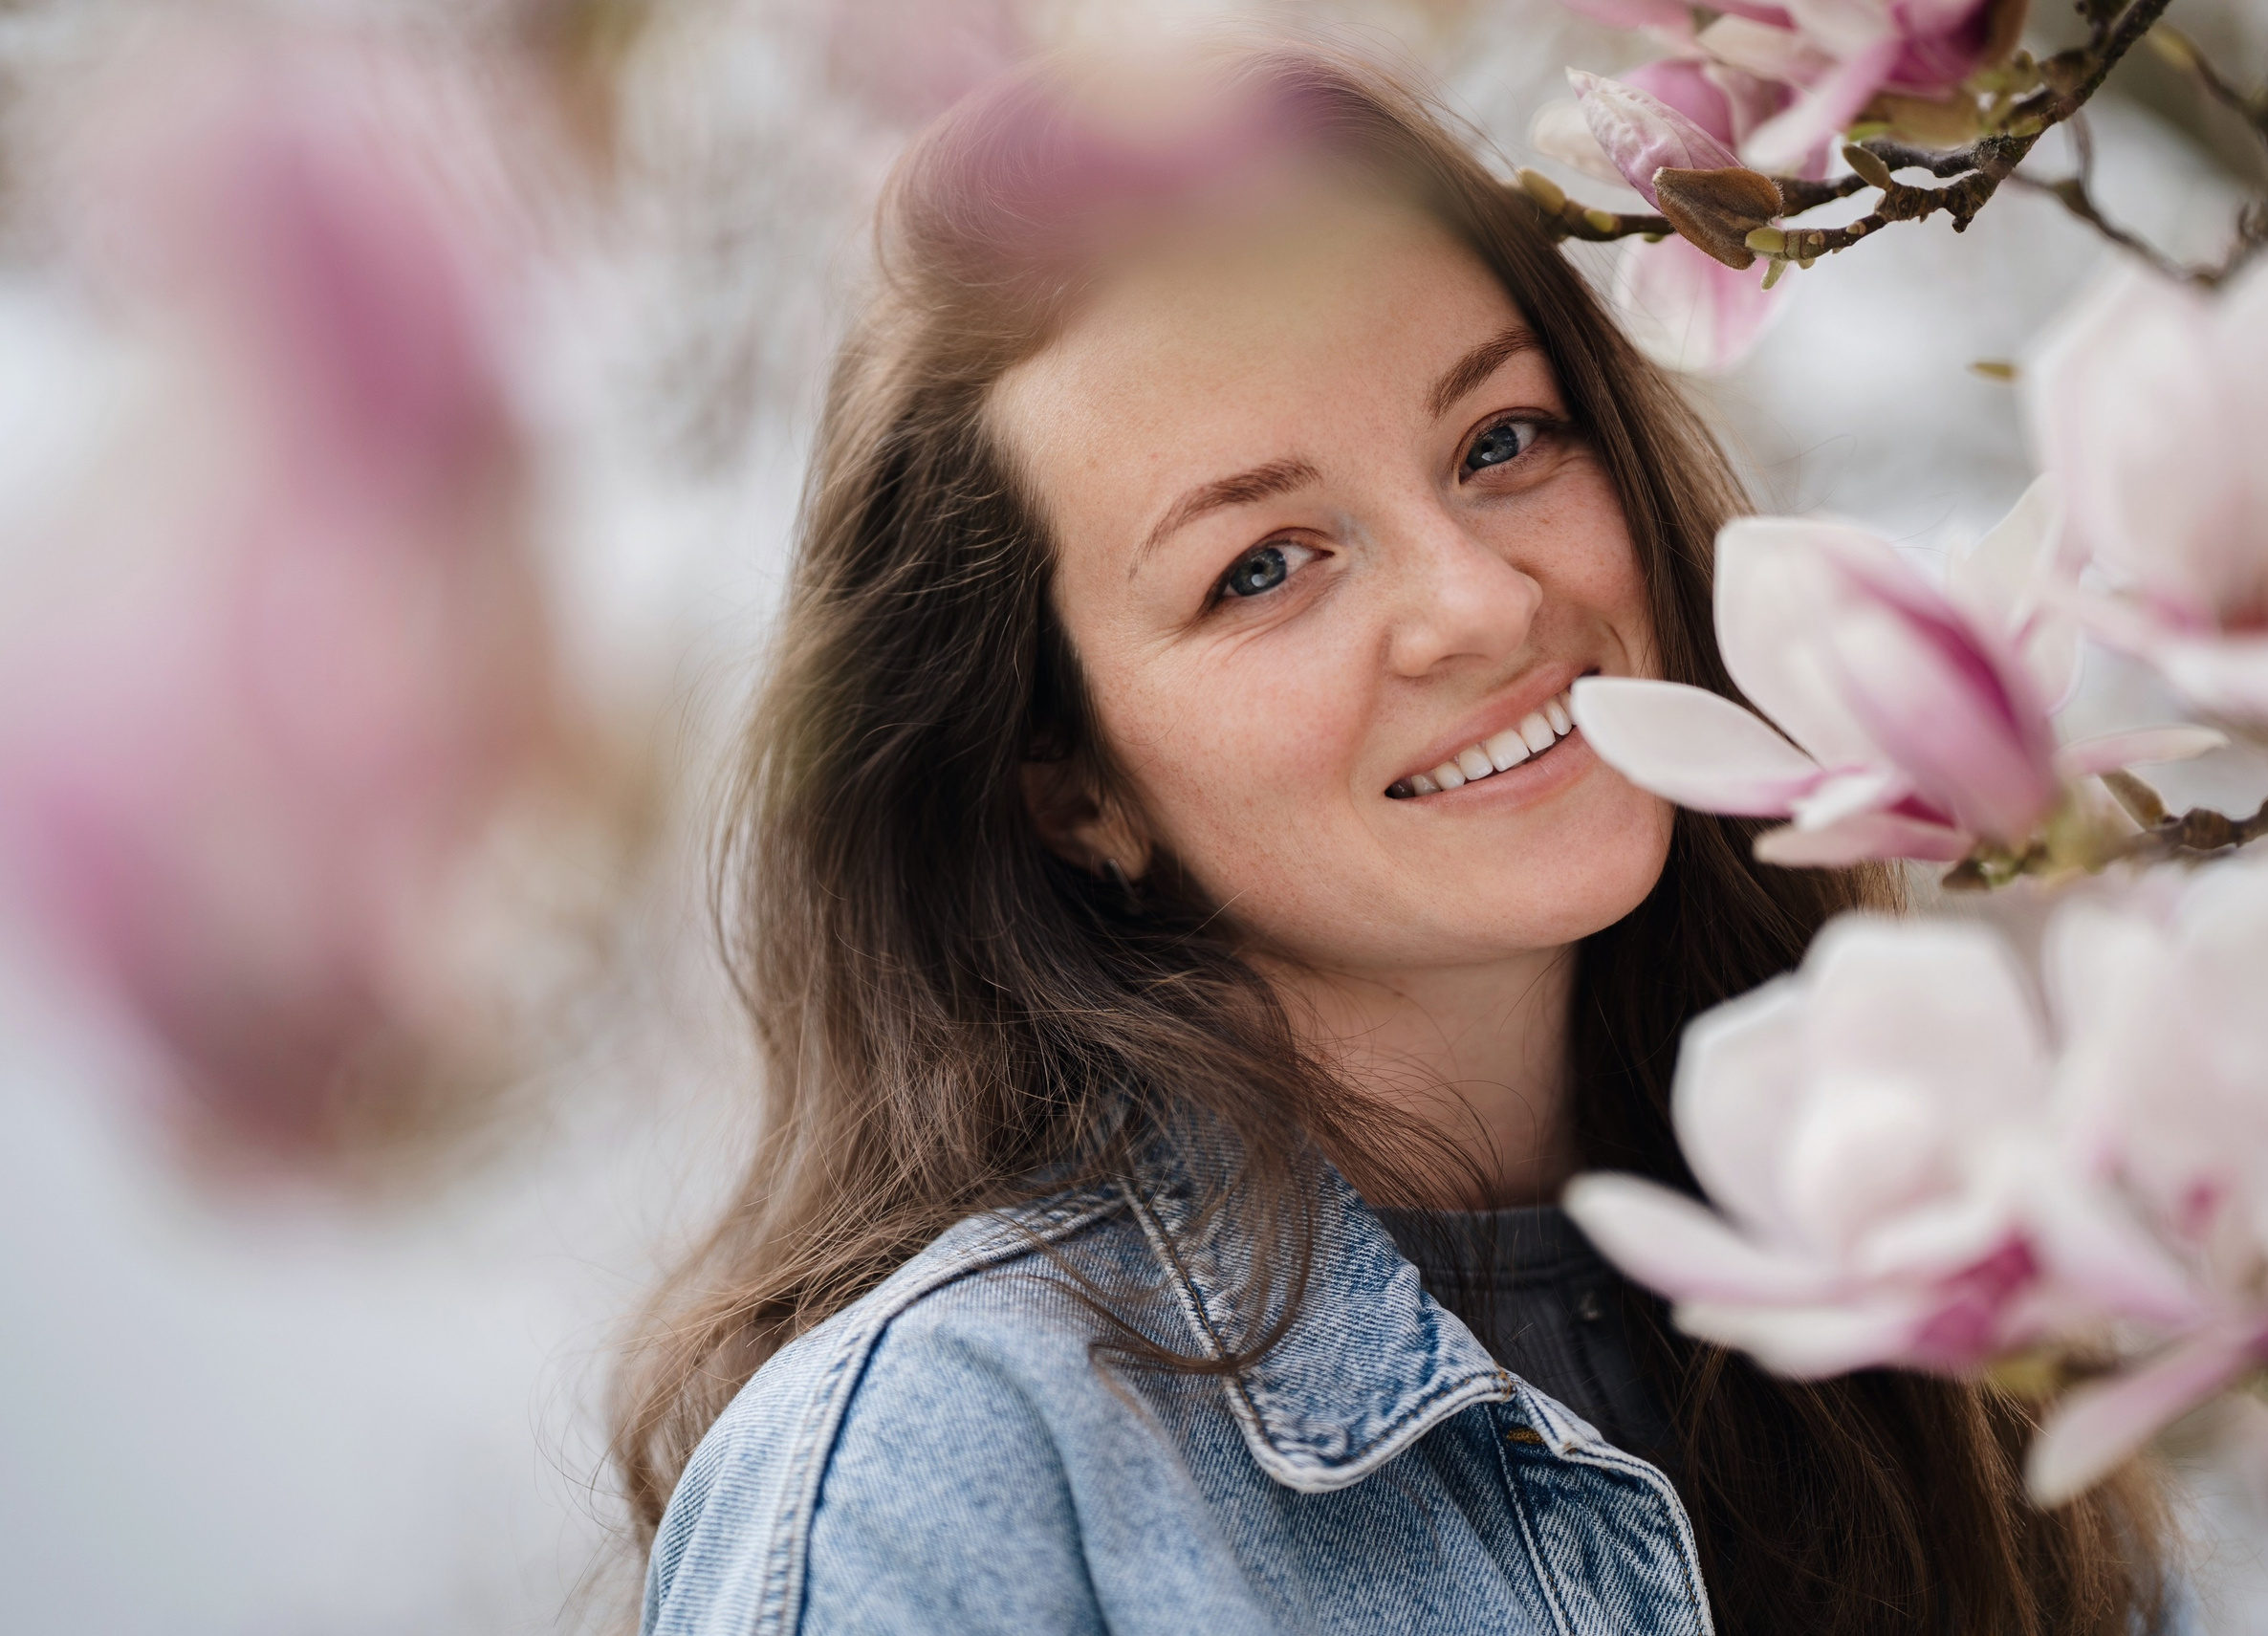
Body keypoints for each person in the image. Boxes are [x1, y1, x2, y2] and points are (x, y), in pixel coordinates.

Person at [615, 35, 2170, 1636]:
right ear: (1070, 790)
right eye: (1266, 565)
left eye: (1501, 442)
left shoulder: (1937, 1277)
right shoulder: (938, 1464)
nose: (1483, 604)